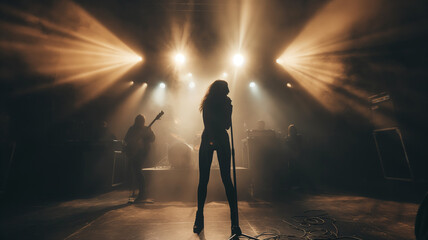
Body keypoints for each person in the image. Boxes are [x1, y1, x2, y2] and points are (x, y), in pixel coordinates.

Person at [193, 80, 241, 236]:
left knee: (226, 178)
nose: (228, 90)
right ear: (220, 89)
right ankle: (199, 217)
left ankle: (235, 223)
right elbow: (207, 122)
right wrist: (212, 139)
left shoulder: (227, 103)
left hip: (220, 137)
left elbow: (227, 125)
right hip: (209, 138)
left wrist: (229, 109)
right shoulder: (208, 102)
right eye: (226, 88)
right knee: (203, 180)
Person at [124, 114, 155, 202]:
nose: (140, 123)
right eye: (139, 121)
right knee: (136, 171)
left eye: (141, 121)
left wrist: (147, 135)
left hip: (142, 153)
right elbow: (126, 139)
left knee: (138, 171)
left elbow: (152, 139)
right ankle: (141, 192)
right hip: (134, 152)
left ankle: (142, 193)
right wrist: (132, 143)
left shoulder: (146, 129)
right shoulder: (132, 129)